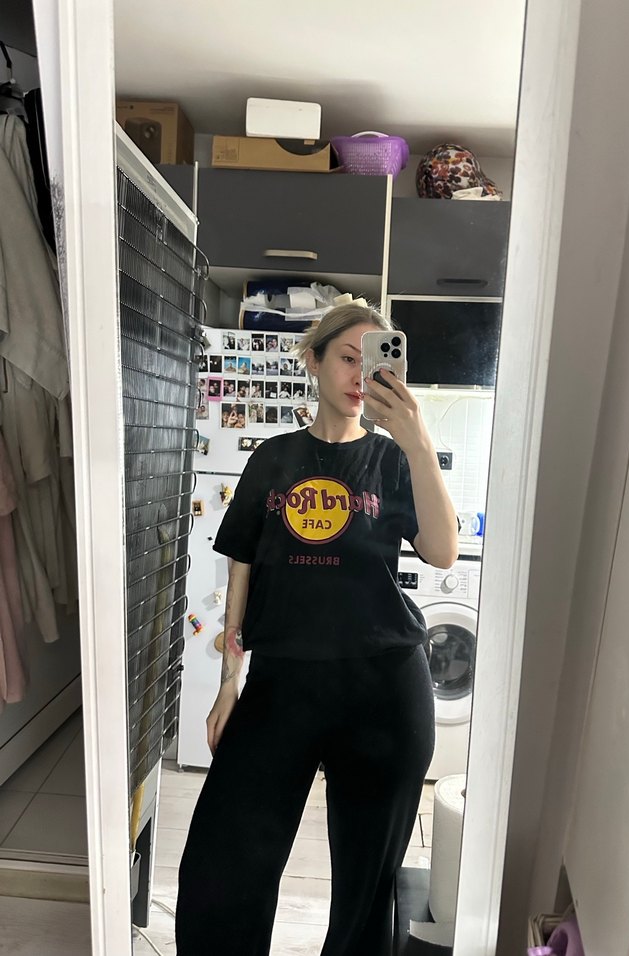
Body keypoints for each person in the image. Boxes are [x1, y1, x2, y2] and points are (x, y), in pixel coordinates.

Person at [175, 304, 458, 956]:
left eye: (373, 361)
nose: (361, 375)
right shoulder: (272, 458)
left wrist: (417, 440)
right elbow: (241, 566)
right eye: (347, 358)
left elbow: (442, 551)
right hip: (282, 682)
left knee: (366, 889)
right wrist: (228, 683)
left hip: (383, 687)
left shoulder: (393, 460)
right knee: (222, 864)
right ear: (314, 360)